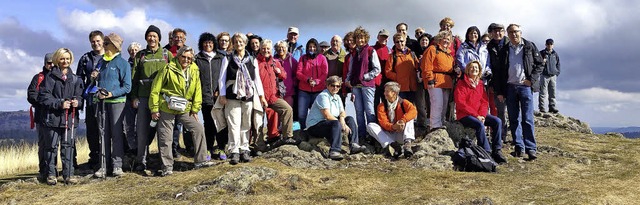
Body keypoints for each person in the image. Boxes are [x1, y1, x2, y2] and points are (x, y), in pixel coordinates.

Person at [150, 46, 215, 176]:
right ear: (178, 56)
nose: (186, 60)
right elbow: (155, 89)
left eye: (189, 58)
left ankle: (200, 160)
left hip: (185, 108)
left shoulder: (194, 70)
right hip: (166, 107)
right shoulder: (167, 68)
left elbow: (197, 90)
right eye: (184, 56)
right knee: (165, 136)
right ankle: (167, 167)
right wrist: (154, 108)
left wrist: (195, 110)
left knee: (198, 128)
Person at [494, 24, 543, 160]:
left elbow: (540, 64)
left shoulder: (529, 46)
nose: (513, 34)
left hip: (525, 87)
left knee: (527, 119)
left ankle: (531, 149)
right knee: (514, 119)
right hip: (509, 87)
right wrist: (500, 91)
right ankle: (519, 147)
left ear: (520, 32)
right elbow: (498, 72)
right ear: (507, 35)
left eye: (516, 32)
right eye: (510, 32)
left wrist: (530, 80)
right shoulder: (504, 49)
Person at [218, 33, 267, 165]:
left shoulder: (252, 59)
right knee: (234, 123)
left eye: (241, 42)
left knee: (246, 124)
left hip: (248, 95)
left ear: (245, 43)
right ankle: (234, 151)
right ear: (233, 44)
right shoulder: (227, 58)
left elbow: (256, 79)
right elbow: (222, 78)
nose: (238, 44)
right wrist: (222, 95)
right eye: (236, 42)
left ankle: (244, 149)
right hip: (231, 95)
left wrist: (261, 96)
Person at [131, 25, 174, 171]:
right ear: (146, 38)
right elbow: (134, 78)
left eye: (155, 36)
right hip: (143, 97)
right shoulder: (141, 56)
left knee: (163, 132)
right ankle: (141, 161)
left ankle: (165, 162)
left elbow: (173, 76)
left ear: (159, 38)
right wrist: (134, 97)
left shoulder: (167, 55)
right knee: (142, 131)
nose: (152, 38)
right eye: (149, 36)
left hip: (162, 99)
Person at [39, 48, 83, 185]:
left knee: (68, 147)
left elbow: (81, 97)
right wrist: (59, 104)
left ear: (71, 60)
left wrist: (78, 102)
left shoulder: (75, 79)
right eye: (63, 59)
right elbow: (44, 97)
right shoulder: (50, 78)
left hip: (70, 119)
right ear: (58, 59)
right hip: (52, 119)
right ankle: (51, 175)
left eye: (68, 59)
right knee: (51, 147)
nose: (65, 61)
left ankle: (68, 175)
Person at [91, 33, 131, 178]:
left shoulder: (123, 64)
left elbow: (127, 87)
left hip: (116, 103)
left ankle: (117, 166)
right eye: (105, 43)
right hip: (101, 103)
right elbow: (95, 83)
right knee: (103, 134)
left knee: (116, 134)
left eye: (107, 43)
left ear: (115, 46)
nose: (104, 45)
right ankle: (103, 166)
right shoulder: (101, 62)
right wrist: (93, 77)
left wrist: (111, 94)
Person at [454, 61, 506, 163]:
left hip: (479, 115)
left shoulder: (480, 84)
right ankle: (486, 152)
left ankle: (497, 150)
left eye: (477, 68)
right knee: (479, 125)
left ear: (479, 71)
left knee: (497, 121)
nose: (474, 69)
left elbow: (484, 101)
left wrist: (482, 115)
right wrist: (476, 115)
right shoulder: (461, 83)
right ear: (468, 70)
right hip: (465, 115)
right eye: (472, 67)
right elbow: (461, 103)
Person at [306, 76, 366, 160]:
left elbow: (342, 112)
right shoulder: (323, 96)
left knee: (350, 119)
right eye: (333, 85)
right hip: (315, 126)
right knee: (335, 123)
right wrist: (341, 124)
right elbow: (327, 115)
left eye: (338, 86)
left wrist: (343, 122)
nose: (335, 88)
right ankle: (334, 151)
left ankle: (354, 145)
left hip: (328, 124)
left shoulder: (337, 97)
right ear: (327, 85)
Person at [194, 32, 229, 161]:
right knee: (208, 123)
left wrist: (220, 91)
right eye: (205, 42)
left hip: (219, 97)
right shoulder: (197, 59)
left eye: (210, 42)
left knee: (220, 123)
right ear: (201, 44)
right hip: (205, 97)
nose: (208, 45)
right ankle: (208, 148)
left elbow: (224, 77)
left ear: (214, 44)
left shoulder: (221, 58)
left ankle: (221, 147)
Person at [345, 26, 381, 143]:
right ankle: (361, 135)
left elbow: (377, 69)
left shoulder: (371, 51)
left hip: (368, 86)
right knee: (359, 111)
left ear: (366, 39)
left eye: (362, 38)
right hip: (356, 86)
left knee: (370, 110)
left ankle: (373, 135)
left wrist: (365, 77)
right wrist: (348, 80)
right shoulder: (353, 54)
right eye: (358, 38)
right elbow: (350, 70)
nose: (360, 40)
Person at [257, 39, 295, 146]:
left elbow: (284, 75)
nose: (266, 50)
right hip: (260, 98)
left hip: (273, 96)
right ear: (260, 49)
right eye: (263, 48)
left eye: (268, 48)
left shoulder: (275, 62)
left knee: (287, 109)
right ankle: (259, 145)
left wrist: (279, 72)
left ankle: (287, 136)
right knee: (258, 121)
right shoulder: (256, 62)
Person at [76, 30, 104, 170]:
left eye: (98, 41)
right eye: (93, 41)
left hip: (106, 98)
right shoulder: (85, 58)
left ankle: (106, 157)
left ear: (103, 41)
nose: (96, 43)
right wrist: (80, 98)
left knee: (104, 128)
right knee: (91, 129)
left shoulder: (109, 57)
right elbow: (79, 78)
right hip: (91, 98)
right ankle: (94, 157)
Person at [366, 81, 417, 158]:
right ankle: (393, 146)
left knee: (410, 118)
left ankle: (407, 144)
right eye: (385, 91)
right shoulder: (381, 106)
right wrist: (393, 127)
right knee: (370, 126)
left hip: (401, 134)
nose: (384, 93)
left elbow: (413, 111)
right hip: (389, 134)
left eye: (387, 91)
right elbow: (383, 122)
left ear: (394, 93)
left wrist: (403, 120)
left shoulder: (404, 103)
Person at [421, 30, 457, 131]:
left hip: (446, 82)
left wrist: (455, 71)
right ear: (439, 39)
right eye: (444, 38)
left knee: (444, 104)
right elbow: (426, 65)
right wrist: (429, 80)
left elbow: (450, 68)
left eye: (448, 39)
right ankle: (434, 126)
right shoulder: (432, 49)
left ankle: (440, 123)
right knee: (437, 103)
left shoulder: (449, 54)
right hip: (435, 81)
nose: (446, 40)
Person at [27, 53, 54, 183]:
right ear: (45, 63)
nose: (52, 65)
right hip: (41, 116)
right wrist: (44, 102)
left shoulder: (60, 77)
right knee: (43, 144)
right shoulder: (38, 78)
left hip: (57, 116)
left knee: (57, 144)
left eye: (53, 62)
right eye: (49, 63)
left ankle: (55, 170)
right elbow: (31, 94)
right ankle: (43, 171)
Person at [296, 38, 328, 129]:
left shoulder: (322, 58)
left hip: (318, 91)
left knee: (317, 114)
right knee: (302, 114)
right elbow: (298, 72)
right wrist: (307, 80)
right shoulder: (303, 58)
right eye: (310, 47)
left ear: (317, 47)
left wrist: (316, 81)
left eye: (314, 47)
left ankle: (315, 131)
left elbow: (325, 73)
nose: (312, 48)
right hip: (304, 91)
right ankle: (303, 131)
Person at [486, 23, 509, 142]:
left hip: (512, 83)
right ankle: (502, 137)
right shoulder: (489, 47)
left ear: (504, 32)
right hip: (497, 84)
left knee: (515, 113)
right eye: (495, 31)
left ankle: (518, 138)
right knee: (500, 112)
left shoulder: (510, 44)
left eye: (500, 31)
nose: (498, 33)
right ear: (491, 33)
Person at [385, 33, 420, 103]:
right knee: (401, 108)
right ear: (394, 43)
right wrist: (398, 77)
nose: (400, 43)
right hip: (400, 88)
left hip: (412, 87)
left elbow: (417, 67)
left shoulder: (412, 54)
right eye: (397, 42)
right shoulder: (392, 56)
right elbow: (387, 72)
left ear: (405, 41)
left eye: (401, 41)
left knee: (412, 108)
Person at [124, 42, 142, 156]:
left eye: (136, 50)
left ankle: (142, 148)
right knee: (129, 125)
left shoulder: (143, 63)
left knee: (140, 125)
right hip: (128, 99)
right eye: (131, 50)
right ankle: (132, 148)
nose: (133, 52)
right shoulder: (125, 65)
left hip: (141, 97)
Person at [414, 33, 432, 129]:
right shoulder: (415, 52)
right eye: (422, 40)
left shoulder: (432, 51)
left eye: (426, 40)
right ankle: (421, 121)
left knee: (430, 100)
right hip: (419, 79)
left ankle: (430, 120)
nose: (424, 42)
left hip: (429, 79)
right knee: (419, 101)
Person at [274, 40, 299, 108]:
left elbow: (296, 75)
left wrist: (293, 85)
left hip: (289, 92)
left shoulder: (292, 61)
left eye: (283, 47)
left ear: (286, 48)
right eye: (279, 47)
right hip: (276, 93)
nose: (281, 49)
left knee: (288, 112)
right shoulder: (273, 60)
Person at [539, 38, 560, 113]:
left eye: (551, 44)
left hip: (553, 76)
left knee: (552, 93)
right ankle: (542, 108)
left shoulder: (555, 54)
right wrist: (542, 63)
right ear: (545, 45)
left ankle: (552, 107)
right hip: (544, 75)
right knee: (543, 93)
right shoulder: (542, 53)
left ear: (553, 45)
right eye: (548, 44)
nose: (549, 45)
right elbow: (537, 63)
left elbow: (558, 64)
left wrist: (557, 72)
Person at [373, 29, 390, 109]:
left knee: (386, 103)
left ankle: (385, 121)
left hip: (386, 81)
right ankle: (375, 121)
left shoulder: (390, 51)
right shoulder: (371, 49)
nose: (383, 39)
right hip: (374, 81)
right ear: (378, 37)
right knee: (375, 103)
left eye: (385, 37)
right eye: (382, 36)